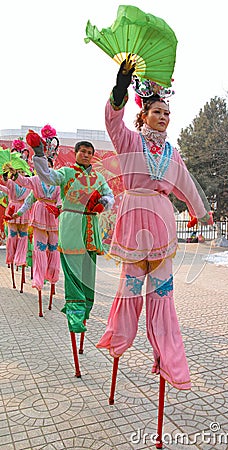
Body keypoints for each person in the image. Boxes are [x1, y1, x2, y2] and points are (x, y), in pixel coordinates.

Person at [96, 57, 213, 390]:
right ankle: (118, 340)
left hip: (161, 224)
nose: (163, 118)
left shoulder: (172, 153)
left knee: (162, 298)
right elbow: (112, 120)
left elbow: (186, 183)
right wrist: (120, 85)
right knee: (130, 292)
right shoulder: (129, 141)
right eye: (157, 112)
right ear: (143, 114)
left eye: (167, 114)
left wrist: (200, 211)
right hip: (134, 225)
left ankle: (168, 358)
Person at [29, 138, 114, 335]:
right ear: (76, 153)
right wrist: (40, 155)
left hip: (91, 228)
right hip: (72, 225)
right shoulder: (66, 173)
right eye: (82, 151)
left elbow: (109, 195)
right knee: (73, 273)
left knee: (88, 274)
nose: (86, 155)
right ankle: (75, 315)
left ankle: (85, 311)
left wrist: (104, 201)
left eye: (89, 152)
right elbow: (47, 176)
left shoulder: (98, 178)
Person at [10, 158, 61, 312]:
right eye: (43, 166)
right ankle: (38, 279)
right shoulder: (35, 180)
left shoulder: (58, 182)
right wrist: (18, 213)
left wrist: (59, 208)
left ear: (52, 168)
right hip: (39, 215)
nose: (46, 169)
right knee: (39, 249)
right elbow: (24, 185)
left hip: (53, 216)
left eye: (49, 166)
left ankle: (52, 275)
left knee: (54, 248)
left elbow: (60, 198)